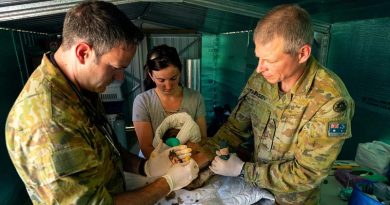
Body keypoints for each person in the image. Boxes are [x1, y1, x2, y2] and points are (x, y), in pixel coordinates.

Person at [5, 1, 198, 205]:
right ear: (83, 53)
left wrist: (145, 167)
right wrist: (167, 183)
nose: (120, 78)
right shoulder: (50, 124)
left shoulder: (79, 88)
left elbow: (107, 147)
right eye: (115, 67)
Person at [204, 4, 355, 205]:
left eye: (270, 60)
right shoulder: (262, 78)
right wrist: (204, 154)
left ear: (302, 54)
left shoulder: (330, 101)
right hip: (253, 192)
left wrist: (241, 170)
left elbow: (308, 173)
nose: (259, 69)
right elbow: (234, 129)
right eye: (258, 58)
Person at [132, 44, 207, 159]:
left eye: (173, 78)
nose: (168, 86)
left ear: (180, 72)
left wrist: (185, 158)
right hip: (154, 160)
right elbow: (147, 147)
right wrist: (170, 164)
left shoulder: (195, 98)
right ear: (151, 76)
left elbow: (202, 139)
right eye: (161, 80)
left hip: (187, 158)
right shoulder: (143, 101)